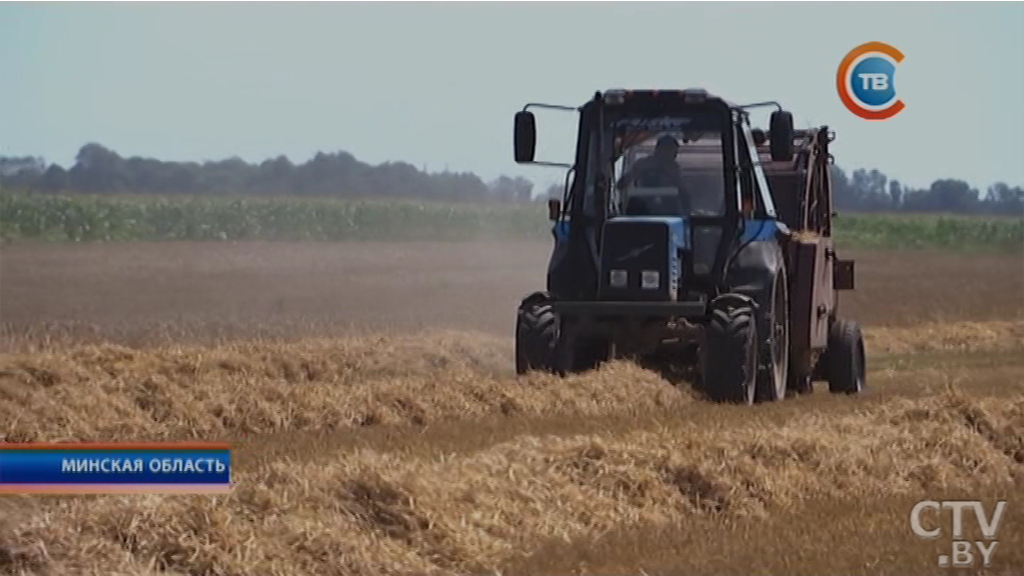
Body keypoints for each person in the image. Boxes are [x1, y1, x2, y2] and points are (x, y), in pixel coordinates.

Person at [616, 134, 689, 215]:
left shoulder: (674, 168)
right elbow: (622, 184)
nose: (673, 155)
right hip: (642, 206)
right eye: (669, 150)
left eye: (675, 152)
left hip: (667, 208)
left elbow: (682, 189)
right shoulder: (643, 164)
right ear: (658, 149)